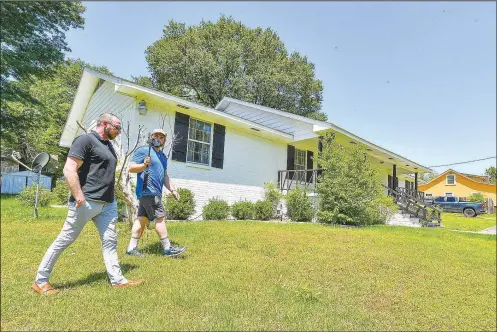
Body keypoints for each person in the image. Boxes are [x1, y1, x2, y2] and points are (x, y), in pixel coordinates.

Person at [32, 113, 143, 295]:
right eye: (117, 126)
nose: (119, 130)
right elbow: (69, 169)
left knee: (110, 241)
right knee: (65, 239)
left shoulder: (108, 145)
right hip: (86, 202)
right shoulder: (85, 140)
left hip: (107, 203)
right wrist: (78, 195)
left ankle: (118, 280)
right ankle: (40, 281)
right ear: (105, 124)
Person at [126, 128, 186, 257]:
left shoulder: (163, 157)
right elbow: (130, 168)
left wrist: (173, 189)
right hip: (148, 191)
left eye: (161, 137)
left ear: (164, 140)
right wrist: (143, 165)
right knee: (160, 218)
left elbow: (164, 176)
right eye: (155, 136)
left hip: (153, 193)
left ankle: (131, 248)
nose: (158, 138)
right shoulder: (143, 150)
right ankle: (167, 249)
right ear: (151, 138)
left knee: (141, 219)